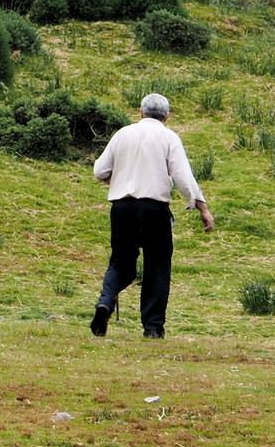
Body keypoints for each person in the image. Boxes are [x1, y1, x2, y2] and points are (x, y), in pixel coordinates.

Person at [89, 93, 213, 340]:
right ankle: (153, 328)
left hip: (121, 207)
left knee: (121, 263)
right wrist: (202, 207)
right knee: (157, 266)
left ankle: (105, 303)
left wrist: (116, 178)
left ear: (140, 112)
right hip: (153, 209)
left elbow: (100, 170)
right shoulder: (169, 137)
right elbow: (183, 176)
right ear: (167, 116)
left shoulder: (122, 133)